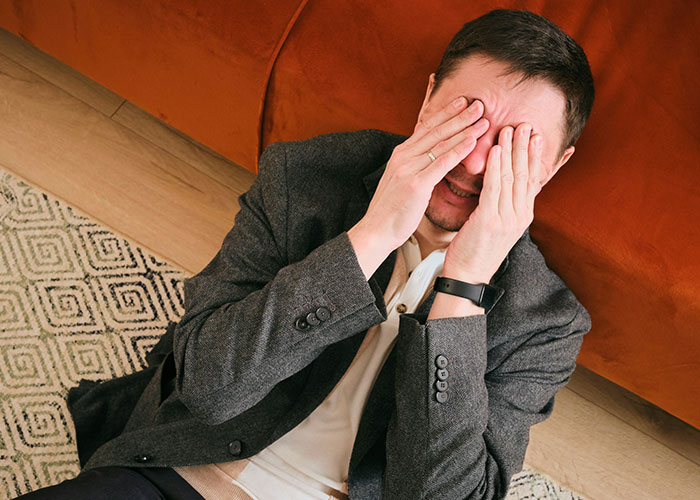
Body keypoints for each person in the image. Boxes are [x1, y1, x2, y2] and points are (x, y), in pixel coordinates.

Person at [16, 8, 594, 500]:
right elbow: (209, 387)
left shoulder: (546, 322)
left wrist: (464, 288)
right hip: (183, 472)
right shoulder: (303, 178)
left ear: (555, 165)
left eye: (512, 146)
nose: (470, 164)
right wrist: (368, 238)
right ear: (427, 100)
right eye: (465, 119)